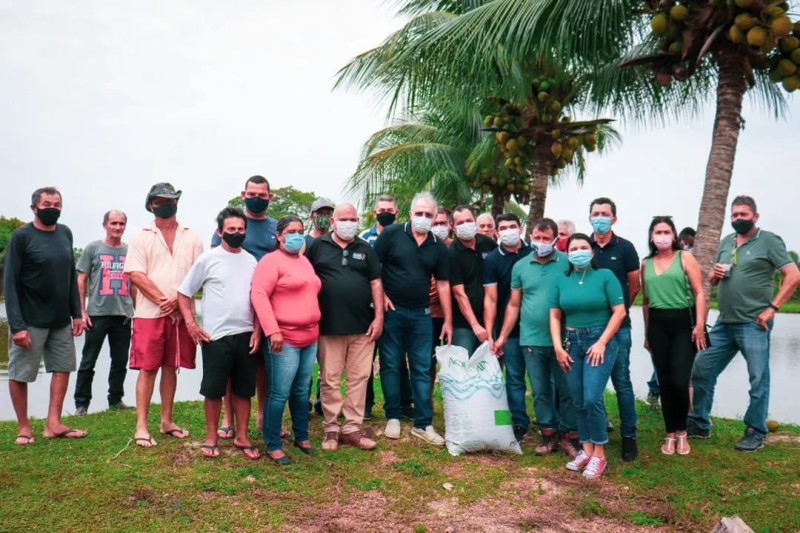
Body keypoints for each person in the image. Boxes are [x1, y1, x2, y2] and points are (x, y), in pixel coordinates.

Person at [688, 196, 800, 452]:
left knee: (758, 378)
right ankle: (699, 422)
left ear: (755, 217)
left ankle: (755, 431)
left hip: (754, 323)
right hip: (724, 323)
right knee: (702, 369)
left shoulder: (769, 241)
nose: (738, 218)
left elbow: (793, 275)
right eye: (735, 214)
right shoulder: (727, 241)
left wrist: (772, 308)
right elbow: (712, 279)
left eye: (743, 214)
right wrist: (713, 275)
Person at [177, 207, 261, 460]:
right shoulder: (208, 259)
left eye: (240, 230)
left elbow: (257, 299)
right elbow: (184, 292)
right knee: (213, 390)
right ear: (220, 231)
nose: (236, 233)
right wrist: (191, 323)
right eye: (231, 229)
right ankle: (212, 437)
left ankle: (242, 436)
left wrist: (257, 330)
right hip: (215, 337)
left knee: (244, 390)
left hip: (246, 334)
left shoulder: (251, 261)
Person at [124, 183, 203, 447]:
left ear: (177, 202)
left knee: (172, 367)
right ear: (151, 205)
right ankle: (141, 426)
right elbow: (136, 273)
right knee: (148, 368)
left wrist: (178, 301)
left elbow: (198, 273)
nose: (165, 204)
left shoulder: (192, 235)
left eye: (170, 199)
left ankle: (167, 420)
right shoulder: (140, 236)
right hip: (149, 313)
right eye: (159, 200)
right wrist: (162, 300)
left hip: (181, 313)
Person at [5, 187, 86, 444]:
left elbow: (70, 275)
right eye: (47, 203)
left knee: (63, 367)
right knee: (21, 373)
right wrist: (17, 326)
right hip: (29, 321)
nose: (52, 208)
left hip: (60, 320)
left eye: (57, 203)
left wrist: (77, 313)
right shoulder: (21, 237)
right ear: (34, 208)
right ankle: (24, 427)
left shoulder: (65, 234)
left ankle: (53, 423)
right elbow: (10, 284)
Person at [494, 218, 579, 457]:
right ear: (530, 236)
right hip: (531, 339)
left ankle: (570, 435)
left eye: (545, 239)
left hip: (563, 340)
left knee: (567, 389)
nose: (540, 243)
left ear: (554, 240)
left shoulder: (566, 262)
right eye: (537, 238)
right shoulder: (521, 266)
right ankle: (548, 435)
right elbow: (513, 304)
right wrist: (502, 336)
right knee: (540, 389)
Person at [374, 191, 452, 445]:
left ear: (434, 217)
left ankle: (423, 423)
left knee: (422, 368)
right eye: (419, 213)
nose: (423, 218)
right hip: (393, 312)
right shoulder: (391, 234)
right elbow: (375, 269)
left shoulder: (438, 247)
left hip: (422, 316)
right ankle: (393, 417)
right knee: (391, 365)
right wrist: (381, 296)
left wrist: (448, 319)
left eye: (428, 215)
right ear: (409, 214)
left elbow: (442, 284)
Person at [307, 203, 384, 451]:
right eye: (344, 219)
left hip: (363, 327)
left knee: (359, 379)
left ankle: (352, 427)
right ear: (333, 222)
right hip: (328, 327)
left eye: (353, 219)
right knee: (329, 379)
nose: (349, 223)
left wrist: (379, 318)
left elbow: (376, 283)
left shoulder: (365, 248)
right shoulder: (317, 247)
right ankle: (331, 427)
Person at [550, 233, 627, 479]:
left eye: (584, 247)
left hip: (599, 340)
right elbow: (554, 316)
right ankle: (586, 450)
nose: (579, 252)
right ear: (568, 254)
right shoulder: (561, 281)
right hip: (571, 343)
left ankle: (599, 455)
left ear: (592, 253)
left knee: (593, 397)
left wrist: (602, 342)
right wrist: (558, 348)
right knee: (579, 399)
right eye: (574, 248)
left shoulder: (605, 277)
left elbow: (619, 312)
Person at [210, 175, 278, 440]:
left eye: (262, 194)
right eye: (252, 194)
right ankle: (228, 419)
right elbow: (217, 261)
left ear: (269, 197)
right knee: (231, 364)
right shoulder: (234, 224)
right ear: (243, 194)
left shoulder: (275, 227)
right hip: (235, 304)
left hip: (268, 304)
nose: (257, 198)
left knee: (262, 363)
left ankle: (261, 417)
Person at [251, 215, 322, 465]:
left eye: (300, 231)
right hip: (284, 338)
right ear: (279, 236)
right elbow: (259, 295)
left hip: (310, 336)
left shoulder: (304, 261)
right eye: (291, 231)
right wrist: (272, 331)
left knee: (302, 390)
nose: (296, 235)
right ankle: (273, 443)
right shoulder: (271, 262)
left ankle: (301, 436)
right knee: (279, 392)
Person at [640, 216, 706, 456]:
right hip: (657, 325)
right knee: (665, 382)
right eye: (658, 231)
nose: (662, 235)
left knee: (680, 380)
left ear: (674, 235)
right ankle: (670, 432)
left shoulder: (684, 257)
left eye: (667, 231)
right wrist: (647, 334)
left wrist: (699, 325)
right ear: (651, 236)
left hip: (683, 324)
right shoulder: (646, 263)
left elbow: (699, 292)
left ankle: (682, 431)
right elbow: (646, 303)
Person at [587, 197, 640, 461]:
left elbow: (634, 284)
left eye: (605, 213)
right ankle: (595, 431)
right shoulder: (584, 247)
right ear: (589, 218)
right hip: (589, 328)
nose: (600, 217)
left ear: (614, 219)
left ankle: (629, 435)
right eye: (595, 213)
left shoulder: (626, 248)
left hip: (619, 327)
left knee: (621, 381)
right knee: (592, 385)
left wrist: (618, 312)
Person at [73, 210, 134, 415]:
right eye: (113, 223)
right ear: (105, 225)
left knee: (120, 360)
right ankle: (82, 404)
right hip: (97, 314)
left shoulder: (130, 251)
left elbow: (134, 282)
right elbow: (81, 279)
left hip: (123, 315)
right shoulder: (93, 248)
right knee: (88, 360)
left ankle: (115, 400)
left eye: (121, 223)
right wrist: (81, 311)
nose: (117, 227)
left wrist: (137, 311)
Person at [361, 195, 411, 421]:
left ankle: (403, 404)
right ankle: (365, 404)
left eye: (390, 209)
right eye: (381, 209)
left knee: (396, 358)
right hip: (368, 307)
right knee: (365, 359)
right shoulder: (363, 238)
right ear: (374, 213)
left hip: (396, 307)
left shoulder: (406, 237)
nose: (385, 213)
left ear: (397, 213)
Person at [484, 213, 532, 442]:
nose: (508, 231)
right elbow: (491, 299)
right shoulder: (492, 260)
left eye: (512, 226)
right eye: (503, 228)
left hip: (535, 329)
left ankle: (551, 424)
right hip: (507, 331)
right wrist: (491, 333)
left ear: (521, 228)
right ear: (496, 233)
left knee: (544, 380)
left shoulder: (534, 253)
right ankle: (519, 422)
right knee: (512, 378)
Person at [449, 206, 497, 353]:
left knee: (492, 368)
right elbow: (459, 294)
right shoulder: (451, 254)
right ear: (453, 227)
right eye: (460, 222)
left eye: (469, 220)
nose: (466, 225)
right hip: (465, 324)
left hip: (492, 319)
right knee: (463, 367)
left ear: (475, 221)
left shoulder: (488, 244)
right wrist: (475, 325)